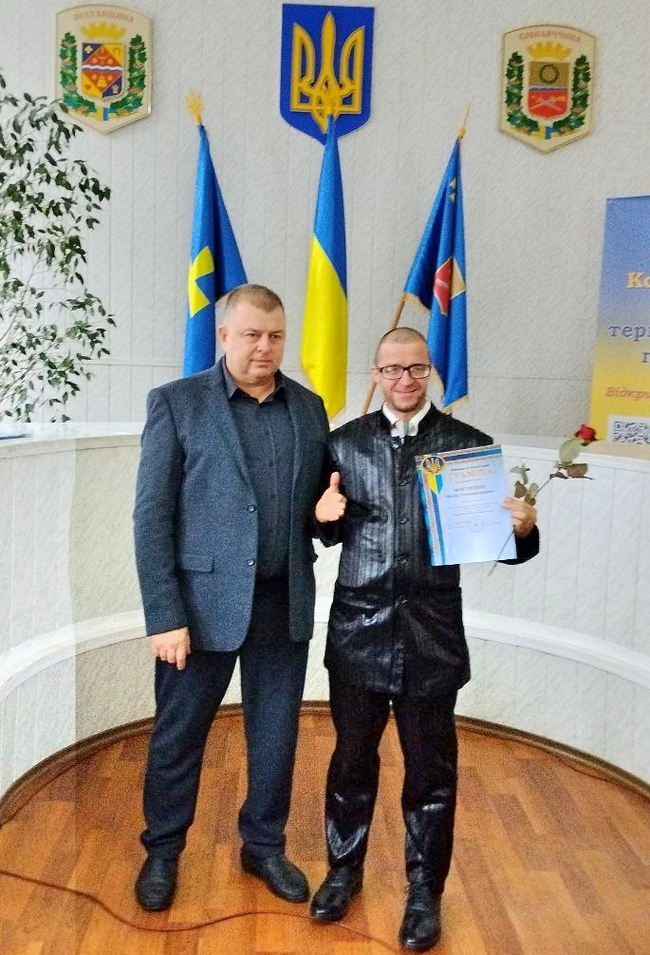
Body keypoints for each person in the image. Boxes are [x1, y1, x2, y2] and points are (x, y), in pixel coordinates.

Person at [310, 327, 539, 951]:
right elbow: (323, 527)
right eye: (392, 369)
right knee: (350, 762)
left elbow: (502, 547)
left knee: (432, 773)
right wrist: (318, 517)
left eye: (416, 369)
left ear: (430, 371)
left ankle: (423, 893)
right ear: (376, 374)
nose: (405, 380)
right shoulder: (342, 444)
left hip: (432, 635)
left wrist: (522, 531)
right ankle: (342, 871)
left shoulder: (468, 448)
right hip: (358, 630)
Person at [132, 283, 329, 911]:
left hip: (282, 601)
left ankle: (264, 846)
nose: (265, 347)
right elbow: (151, 517)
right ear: (224, 336)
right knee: (178, 736)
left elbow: (315, 510)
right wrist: (164, 615)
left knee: (275, 737)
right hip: (197, 611)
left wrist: (326, 516)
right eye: (251, 335)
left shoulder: (309, 408)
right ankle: (163, 851)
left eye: (275, 336)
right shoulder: (176, 403)